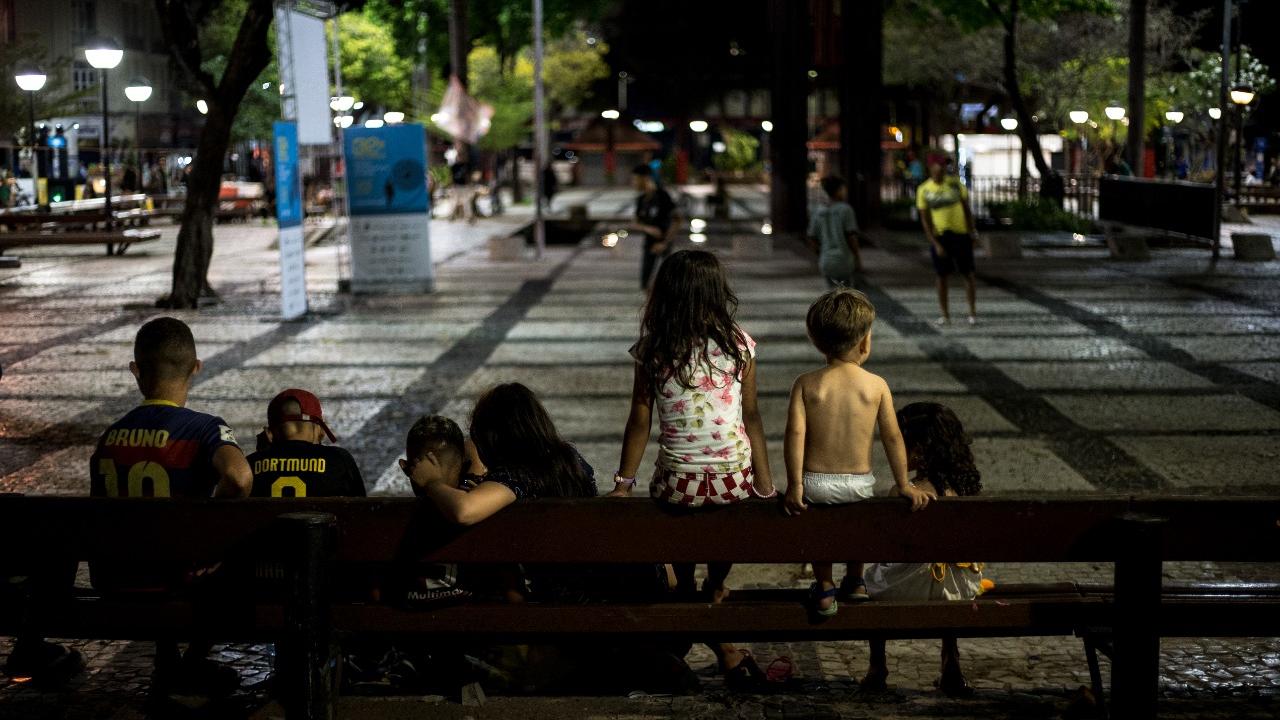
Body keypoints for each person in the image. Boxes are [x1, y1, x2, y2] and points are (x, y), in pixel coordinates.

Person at [609, 249, 776, 687]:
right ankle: (715, 583)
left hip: (678, 484)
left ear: (665, 296)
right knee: (727, 517)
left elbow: (640, 420)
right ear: (718, 295)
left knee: (675, 500)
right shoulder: (741, 344)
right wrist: (764, 479)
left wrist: (624, 484)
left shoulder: (654, 348)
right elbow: (752, 416)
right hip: (733, 480)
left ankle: (685, 583)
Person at [88, 317, 253, 697]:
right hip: (180, 580)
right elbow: (240, 478)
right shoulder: (204, 429)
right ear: (196, 368)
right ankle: (191, 661)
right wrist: (212, 530)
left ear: (136, 371)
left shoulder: (110, 436)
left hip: (115, 579)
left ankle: (170, 663)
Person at [782, 289, 934, 619]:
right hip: (859, 482)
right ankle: (855, 579)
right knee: (858, 524)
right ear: (864, 342)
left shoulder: (807, 384)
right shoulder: (875, 385)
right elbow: (892, 437)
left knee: (820, 529)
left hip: (816, 482)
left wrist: (795, 485)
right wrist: (904, 483)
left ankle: (824, 585)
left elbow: (795, 434)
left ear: (815, 340)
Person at [862, 402, 985, 697]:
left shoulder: (906, 492)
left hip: (910, 588)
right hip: (961, 589)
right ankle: (951, 662)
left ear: (918, 449)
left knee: (872, 579)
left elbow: (887, 551)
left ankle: (877, 667)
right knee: (943, 570)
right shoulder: (968, 489)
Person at [248, 389, 364, 498]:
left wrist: (262, 454)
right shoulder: (340, 459)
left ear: (268, 434)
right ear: (321, 431)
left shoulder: (249, 466)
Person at [916, 159, 980, 326]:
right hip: (940, 236)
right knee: (941, 275)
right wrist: (934, 242)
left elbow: (967, 209)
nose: (939, 175)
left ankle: (972, 312)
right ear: (930, 172)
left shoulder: (956, 185)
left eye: (942, 171)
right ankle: (945, 314)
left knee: (968, 273)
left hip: (961, 234)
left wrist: (973, 232)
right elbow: (925, 219)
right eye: (936, 172)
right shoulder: (924, 190)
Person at [807, 176, 868, 288]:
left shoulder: (818, 212)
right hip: (844, 260)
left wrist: (821, 253)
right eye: (843, 189)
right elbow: (851, 237)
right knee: (847, 295)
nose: (845, 192)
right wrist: (858, 259)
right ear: (838, 190)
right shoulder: (845, 210)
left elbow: (811, 237)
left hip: (826, 261)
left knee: (832, 294)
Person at [630, 163, 678, 291]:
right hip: (649, 244)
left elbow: (677, 220)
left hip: (665, 243)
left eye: (635, 179)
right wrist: (648, 229)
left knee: (667, 284)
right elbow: (634, 223)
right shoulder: (641, 199)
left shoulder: (662, 196)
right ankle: (651, 310)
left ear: (645, 178)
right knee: (646, 283)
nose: (633, 183)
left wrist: (664, 243)